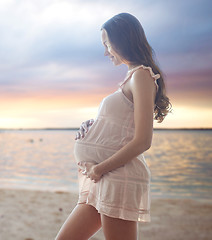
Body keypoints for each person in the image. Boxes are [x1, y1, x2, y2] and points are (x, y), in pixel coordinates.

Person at [55, 12, 172, 240]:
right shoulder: (131, 78)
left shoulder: (142, 76)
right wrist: (94, 127)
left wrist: (99, 168)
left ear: (122, 40)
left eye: (107, 44)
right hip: (106, 178)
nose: (106, 51)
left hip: (117, 176)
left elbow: (143, 140)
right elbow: (122, 127)